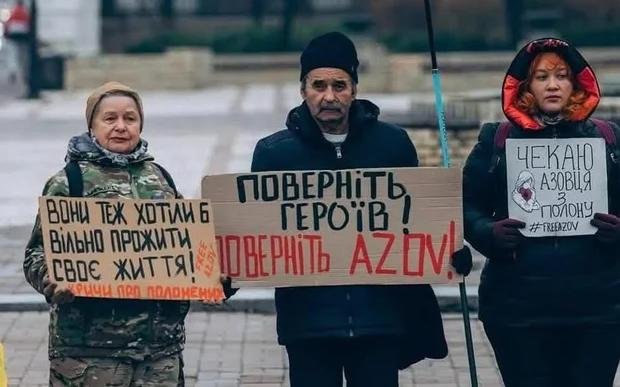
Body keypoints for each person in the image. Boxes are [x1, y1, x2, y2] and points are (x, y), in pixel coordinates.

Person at [249, 31, 472, 387]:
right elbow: (255, 233)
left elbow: (417, 220)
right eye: (318, 85)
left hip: (379, 320)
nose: (329, 96)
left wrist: (449, 252)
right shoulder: (274, 154)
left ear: (354, 89)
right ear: (302, 90)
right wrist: (231, 269)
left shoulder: (392, 144)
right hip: (308, 325)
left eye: (340, 85)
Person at [462, 38, 620, 387]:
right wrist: (488, 233)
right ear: (524, 86)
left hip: (599, 308)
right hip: (517, 309)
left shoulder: (607, 137)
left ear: (576, 83)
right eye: (541, 77)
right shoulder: (497, 139)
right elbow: (467, 205)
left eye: (562, 75)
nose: (553, 85)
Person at [24, 80, 234, 387]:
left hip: (159, 352)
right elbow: (35, 255)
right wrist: (50, 279)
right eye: (110, 119)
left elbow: (183, 250)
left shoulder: (160, 179)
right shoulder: (69, 183)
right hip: (91, 354)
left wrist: (214, 278)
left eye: (130, 118)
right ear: (92, 126)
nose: (121, 126)